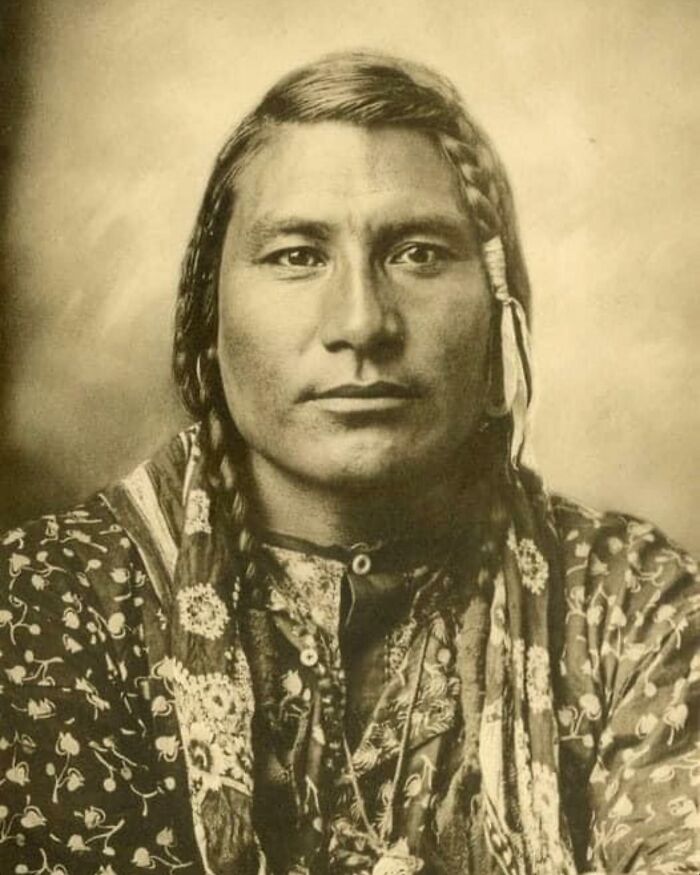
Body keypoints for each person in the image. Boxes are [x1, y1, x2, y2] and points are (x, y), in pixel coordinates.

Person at [0, 52, 698, 875]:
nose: (362, 322)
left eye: (419, 253)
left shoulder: (629, 607)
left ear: (501, 314)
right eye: (297, 254)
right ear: (206, 321)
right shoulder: (49, 600)